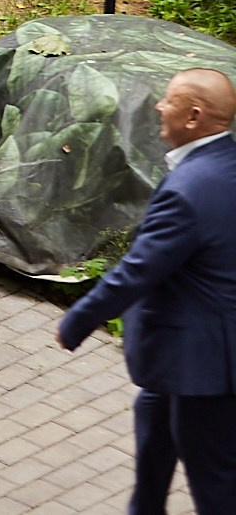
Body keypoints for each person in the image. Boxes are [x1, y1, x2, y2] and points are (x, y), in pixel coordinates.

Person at [58, 67, 236, 515]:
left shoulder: (190, 190)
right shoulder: (222, 166)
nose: (159, 106)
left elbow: (138, 270)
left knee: (216, 488)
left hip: (205, 368)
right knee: (153, 445)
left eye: (169, 99)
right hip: (178, 358)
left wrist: (78, 319)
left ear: (194, 116)